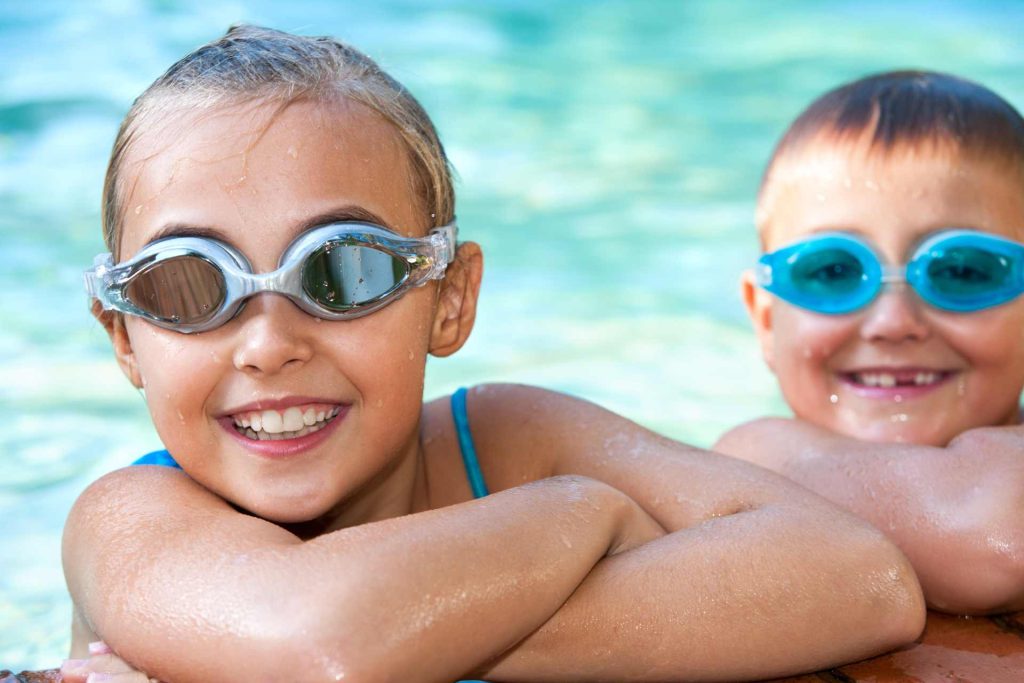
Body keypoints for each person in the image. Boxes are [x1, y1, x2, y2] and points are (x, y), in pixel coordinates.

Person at [60, 26, 923, 683]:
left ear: (449, 299)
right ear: (123, 334)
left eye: (343, 269)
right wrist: (584, 512)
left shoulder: (507, 435)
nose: (270, 343)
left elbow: (864, 576)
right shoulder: (130, 520)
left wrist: (434, 635)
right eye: (189, 285)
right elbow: (321, 644)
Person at [716, 70, 1024, 616]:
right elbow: (994, 539)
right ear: (766, 321)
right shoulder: (755, 452)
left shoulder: (765, 463)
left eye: (963, 271)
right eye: (833, 270)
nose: (892, 322)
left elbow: (997, 534)